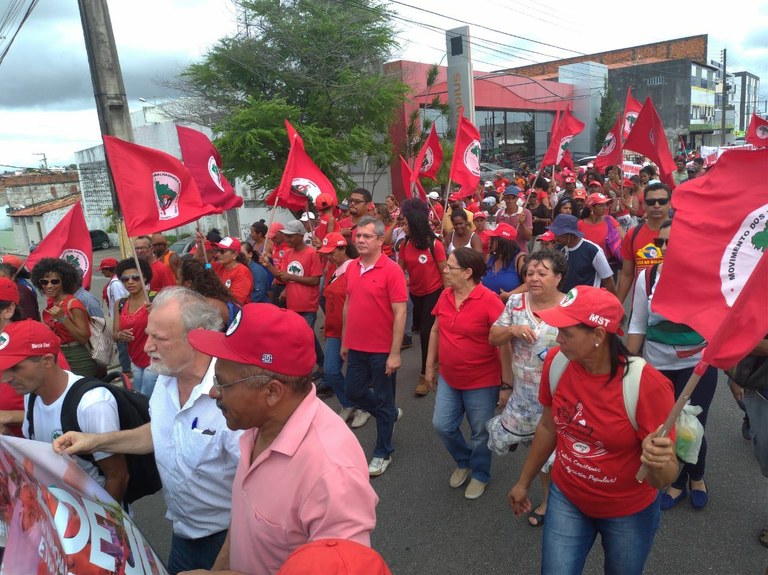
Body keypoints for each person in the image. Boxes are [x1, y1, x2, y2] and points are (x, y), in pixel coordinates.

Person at [53, 287, 241, 574]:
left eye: (160, 338)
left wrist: (220, 569)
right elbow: (160, 432)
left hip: (227, 541)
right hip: (182, 534)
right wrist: (94, 441)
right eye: (148, 334)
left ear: (199, 337)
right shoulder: (168, 376)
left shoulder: (234, 394)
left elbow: (257, 494)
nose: (147, 346)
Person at [184, 303, 378, 575]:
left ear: (272, 392)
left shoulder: (331, 474)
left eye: (221, 382)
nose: (214, 393)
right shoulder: (257, 423)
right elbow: (243, 522)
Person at [508, 286, 678, 575]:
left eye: (567, 332)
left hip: (627, 511)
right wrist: (524, 481)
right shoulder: (556, 363)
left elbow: (664, 476)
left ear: (598, 335)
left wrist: (659, 463)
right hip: (567, 497)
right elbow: (548, 426)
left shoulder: (647, 385)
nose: (558, 338)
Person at [627, 220, 717, 510]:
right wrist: (629, 365)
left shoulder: (708, 276)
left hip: (697, 364)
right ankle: (676, 479)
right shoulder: (648, 276)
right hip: (657, 362)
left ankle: (696, 478)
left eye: (671, 241)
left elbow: (719, 321)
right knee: (665, 425)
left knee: (693, 425)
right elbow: (637, 323)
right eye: (660, 242)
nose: (665, 248)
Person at [2, 319, 129, 503]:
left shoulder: (92, 403)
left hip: (93, 513)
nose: (6, 378)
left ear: (47, 360)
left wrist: (102, 519)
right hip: (60, 510)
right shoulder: (31, 394)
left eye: (15, 368)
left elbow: (118, 476)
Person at [487, 249, 566, 526]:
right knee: (539, 453)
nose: (534, 278)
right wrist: (512, 330)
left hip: (562, 398)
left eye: (542, 273)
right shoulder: (516, 303)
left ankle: (562, 504)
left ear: (558, 277)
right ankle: (550, 500)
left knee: (559, 456)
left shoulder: (570, 305)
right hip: (526, 397)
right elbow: (493, 337)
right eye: (530, 273)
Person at [424, 247, 511, 500]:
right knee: (442, 426)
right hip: (449, 377)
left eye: (450, 267)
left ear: (467, 273)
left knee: (480, 432)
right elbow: (435, 331)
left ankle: (481, 473)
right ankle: (464, 460)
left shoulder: (490, 301)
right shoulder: (445, 295)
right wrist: (429, 367)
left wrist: (506, 384)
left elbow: (504, 344)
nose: (444, 270)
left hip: (482, 381)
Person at [342, 216, 407, 477]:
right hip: (357, 347)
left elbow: (400, 313)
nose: (360, 240)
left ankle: (383, 452)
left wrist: (395, 353)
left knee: (382, 399)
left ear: (380, 240)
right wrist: (345, 339)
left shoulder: (392, 270)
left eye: (367, 236)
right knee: (353, 391)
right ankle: (388, 412)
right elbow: (348, 303)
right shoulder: (351, 267)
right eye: (358, 236)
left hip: (382, 350)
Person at [399, 198, 446, 397]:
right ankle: (437, 358)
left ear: (416, 224)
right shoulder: (405, 244)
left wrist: (447, 299)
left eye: (406, 224)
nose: (403, 227)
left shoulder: (435, 245)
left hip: (434, 293)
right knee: (421, 331)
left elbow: (445, 275)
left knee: (427, 333)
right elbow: (399, 270)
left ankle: (425, 375)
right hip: (415, 294)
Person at [270, 220, 325, 378]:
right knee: (308, 337)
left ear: (300, 236)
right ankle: (322, 364)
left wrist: (292, 277)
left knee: (301, 340)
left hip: (308, 306)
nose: (286, 239)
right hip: (293, 305)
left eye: (290, 236)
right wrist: (268, 266)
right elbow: (282, 277)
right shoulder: (287, 253)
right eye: (286, 236)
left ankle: (302, 373)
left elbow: (315, 280)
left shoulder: (312, 254)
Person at [318, 232, 362, 424]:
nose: (328, 256)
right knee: (330, 370)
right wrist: (327, 326)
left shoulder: (354, 268)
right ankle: (348, 403)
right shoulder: (333, 269)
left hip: (351, 331)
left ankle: (365, 407)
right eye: (326, 253)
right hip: (334, 330)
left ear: (343, 249)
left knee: (356, 376)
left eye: (332, 252)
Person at [30, 258, 97, 377]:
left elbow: (83, 338)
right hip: (60, 356)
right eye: (44, 282)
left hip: (78, 358)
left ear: (64, 282)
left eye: (55, 281)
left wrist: (63, 319)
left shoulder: (73, 304)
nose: (49, 286)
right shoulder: (54, 303)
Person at [616, 182, 671, 303]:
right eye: (651, 202)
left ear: (670, 203)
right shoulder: (632, 234)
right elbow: (626, 274)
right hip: (640, 305)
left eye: (662, 201)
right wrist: (617, 305)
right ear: (644, 205)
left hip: (671, 305)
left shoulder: (681, 232)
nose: (656, 205)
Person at [113, 258, 159, 397]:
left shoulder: (157, 300)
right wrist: (120, 335)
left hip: (156, 359)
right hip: (135, 361)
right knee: (138, 397)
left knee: (146, 398)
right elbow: (114, 335)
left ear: (145, 278)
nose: (130, 282)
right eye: (125, 279)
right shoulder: (120, 304)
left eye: (136, 277)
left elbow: (173, 328)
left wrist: (158, 313)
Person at [547, 214, 616, 294]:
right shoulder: (558, 248)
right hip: (564, 299)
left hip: (587, 298)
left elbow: (608, 280)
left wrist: (613, 300)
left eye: (559, 234)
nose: (556, 238)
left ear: (570, 234)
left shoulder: (593, 251)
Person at [179, 258, 241, 330]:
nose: (176, 282)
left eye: (178, 279)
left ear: (188, 283)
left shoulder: (202, 305)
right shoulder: (216, 296)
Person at [0, 278, 26, 436]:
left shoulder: (33, 342)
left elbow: (63, 406)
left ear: (9, 310)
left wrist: (8, 417)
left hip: (26, 445)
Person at [199, 236, 254, 306]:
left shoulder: (242, 272)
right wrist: (201, 246)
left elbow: (235, 301)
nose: (218, 254)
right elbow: (200, 266)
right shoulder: (216, 265)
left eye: (222, 251)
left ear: (235, 254)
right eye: (218, 250)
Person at [481, 223, 526, 301]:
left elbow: (530, 284)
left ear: (502, 241)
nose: (488, 241)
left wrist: (509, 295)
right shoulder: (490, 256)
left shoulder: (519, 259)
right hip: (488, 305)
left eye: (492, 238)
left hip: (511, 306)